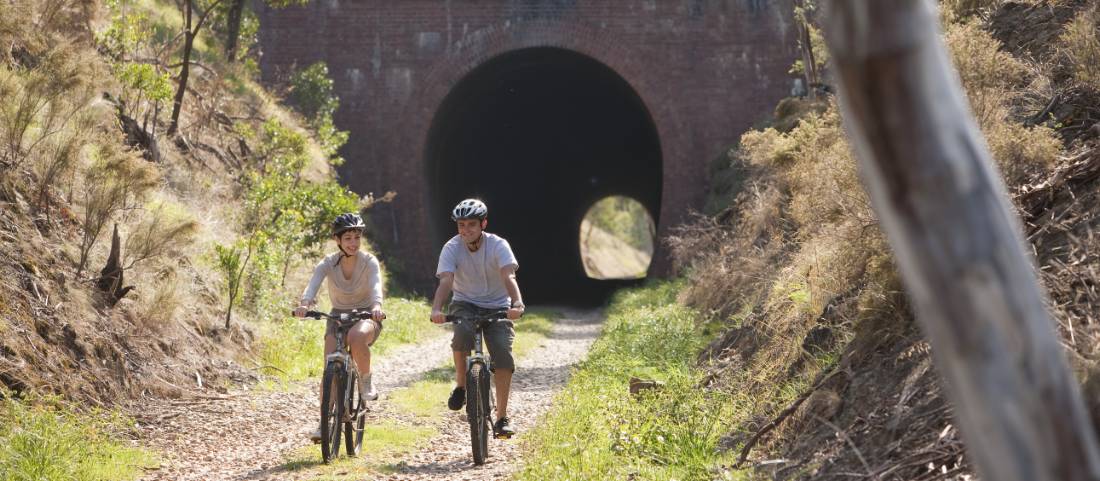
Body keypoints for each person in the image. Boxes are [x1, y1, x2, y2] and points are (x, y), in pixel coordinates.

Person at [430, 198, 525, 438]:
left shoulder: (498, 245)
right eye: (461, 225)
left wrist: (517, 302)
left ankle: (502, 417)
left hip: (497, 305)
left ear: (483, 223)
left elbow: (508, 276)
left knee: (503, 355)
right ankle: (461, 386)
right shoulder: (451, 247)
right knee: (461, 334)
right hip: (465, 303)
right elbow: (446, 281)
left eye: (471, 224)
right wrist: (436, 309)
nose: (466, 230)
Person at [293, 212, 385, 442]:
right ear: (338, 240)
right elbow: (312, 285)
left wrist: (376, 306)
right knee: (329, 368)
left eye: (356, 237)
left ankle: (365, 381)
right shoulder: (328, 263)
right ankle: (324, 422)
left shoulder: (369, 261)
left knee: (356, 337)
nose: (353, 243)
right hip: (337, 316)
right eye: (348, 239)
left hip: (366, 314)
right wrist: (305, 304)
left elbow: (375, 286)